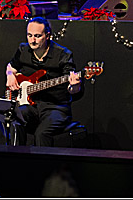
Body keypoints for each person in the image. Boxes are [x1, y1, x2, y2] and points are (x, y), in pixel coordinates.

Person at [5, 17, 82, 147]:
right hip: (31, 106)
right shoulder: (23, 50)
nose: (32, 40)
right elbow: (11, 67)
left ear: (47, 36)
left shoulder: (63, 55)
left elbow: (73, 90)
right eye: (29, 35)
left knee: (42, 133)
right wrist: (9, 74)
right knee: (14, 119)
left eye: (37, 36)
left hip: (56, 108)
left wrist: (75, 86)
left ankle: (43, 166)